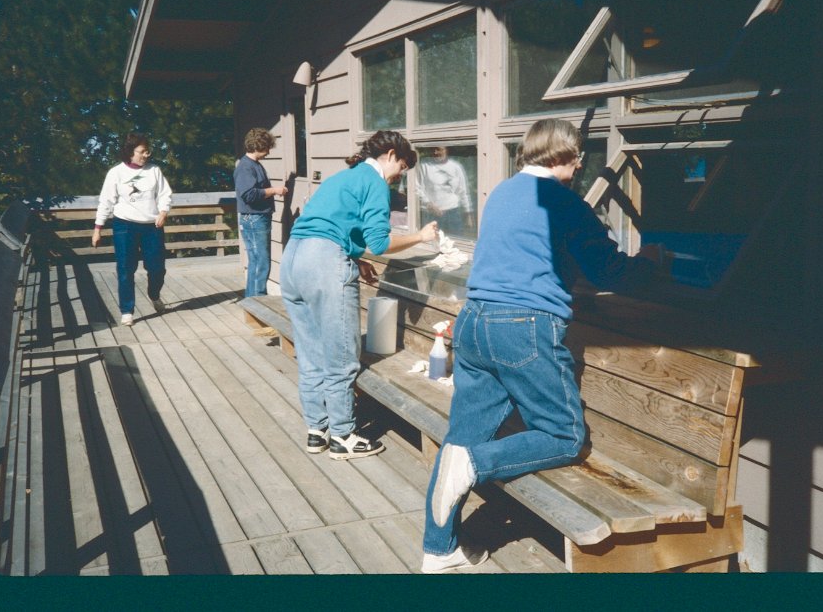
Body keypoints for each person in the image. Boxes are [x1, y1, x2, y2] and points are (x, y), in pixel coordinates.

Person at [420, 119, 661, 573]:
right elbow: (607, 271)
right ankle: (473, 464)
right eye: (578, 158)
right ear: (567, 156)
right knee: (563, 436)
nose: (579, 166)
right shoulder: (566, 204)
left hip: (473, 321)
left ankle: (438, 549)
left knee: (459, 439)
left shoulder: (503, 194)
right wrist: (651, 264)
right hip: (524, 328)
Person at [281, 130, 438, 460]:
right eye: (402, 169)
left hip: (293, 259)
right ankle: (342, 435)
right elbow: (380, 243)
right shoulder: (375, 181)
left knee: (311, 353)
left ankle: (317, 429)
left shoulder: (344, 177)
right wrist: (420, 236)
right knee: (341, 353)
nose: (399, 178)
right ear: (392, 154)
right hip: (325, 263)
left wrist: (355, 259)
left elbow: (332, 225)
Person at [91, 132, 173, 327]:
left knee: (157, 268)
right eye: (142, 152)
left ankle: (154, 294)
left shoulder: (154, 171)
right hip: (124, 225)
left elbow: (165, 194)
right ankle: (127, 310)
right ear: (130, 152)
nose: (146, 155)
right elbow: (106, 201)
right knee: (125, 269)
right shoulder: (116, 173)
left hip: (151, 226)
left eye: (148, 151)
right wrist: (97, 228)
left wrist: (163, 211)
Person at [234, 128, 287, 297]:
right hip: (254, 219)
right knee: (260, 263)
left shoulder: (254, 165)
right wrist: (274, 190)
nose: (269, 152)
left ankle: (252, 303)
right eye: (267, 148)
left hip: (257, 218)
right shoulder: (245, 167)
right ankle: (259, 304)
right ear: (259, 146)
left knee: (257, 262)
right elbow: (248, 194)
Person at [415, 146, 474, 236]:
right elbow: (416, 188)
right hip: (432, 214)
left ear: (446, 150)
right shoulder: (424, 165)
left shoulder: (456, 166)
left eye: (439, 149)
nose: (435, 152)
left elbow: (463, 191)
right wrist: (429, 204)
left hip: (453, 213)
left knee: (456, 242)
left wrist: (468, 213)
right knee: (433, 244)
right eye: (433, 149)